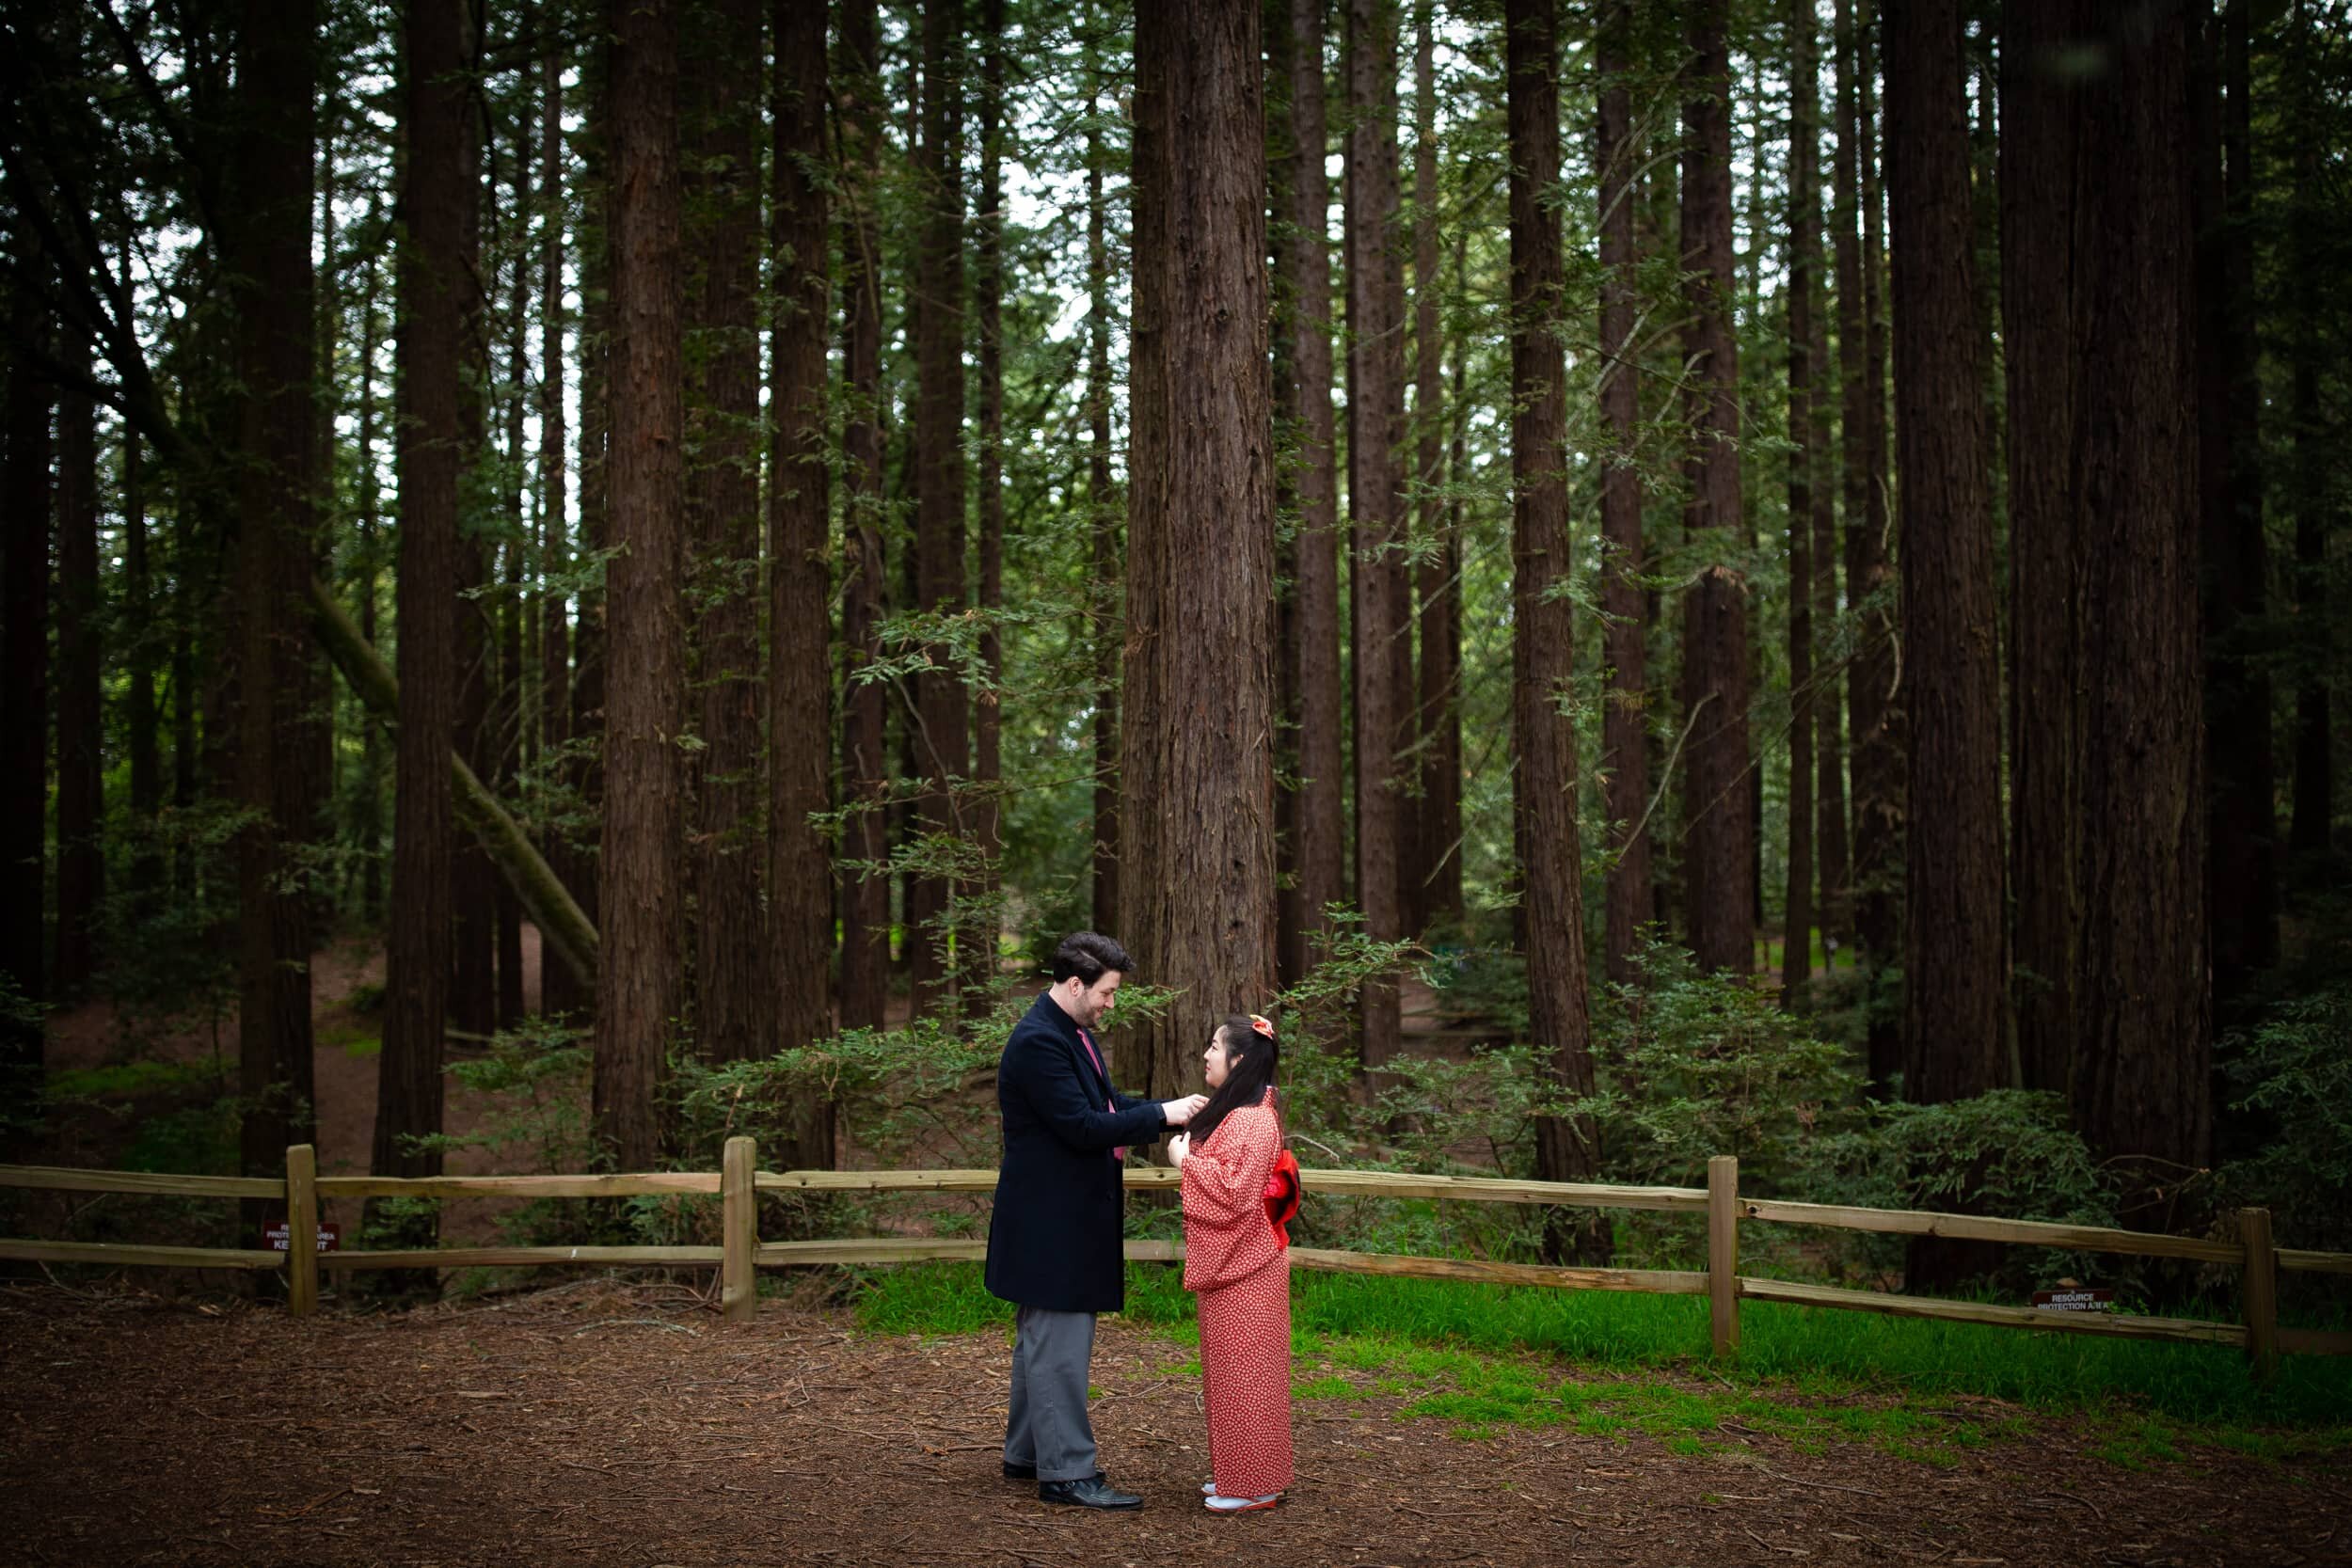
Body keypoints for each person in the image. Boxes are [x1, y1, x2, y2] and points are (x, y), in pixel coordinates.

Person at [986, 932, 1207, 1511]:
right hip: (1051, 1222)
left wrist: (1165, 1111)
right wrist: (1162, 1113)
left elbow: (1106, 1104)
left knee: (1042, 1339)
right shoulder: (1039, 1041)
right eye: (1107, 993)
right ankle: (1067, 1474)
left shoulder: (1069, 1032)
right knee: (1058, 1343)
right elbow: (1082, 1127)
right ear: (1076, 984)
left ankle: (1028, 1453)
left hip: (1057, 1217)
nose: (1112, 1004)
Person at [1167, 1012, 1295, 1513]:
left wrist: (1184, 1162)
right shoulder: (1250, 1113)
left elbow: (1235, 1193)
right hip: (1242, 1266)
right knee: (1235, 1375)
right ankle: (1241, 1475)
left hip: (1247, 1269)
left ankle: (1252, 1487)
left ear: (1238, 1060)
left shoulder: (1251, 1119)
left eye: (1215, 1047)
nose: (1206, 1054)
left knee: (1247, 1378)